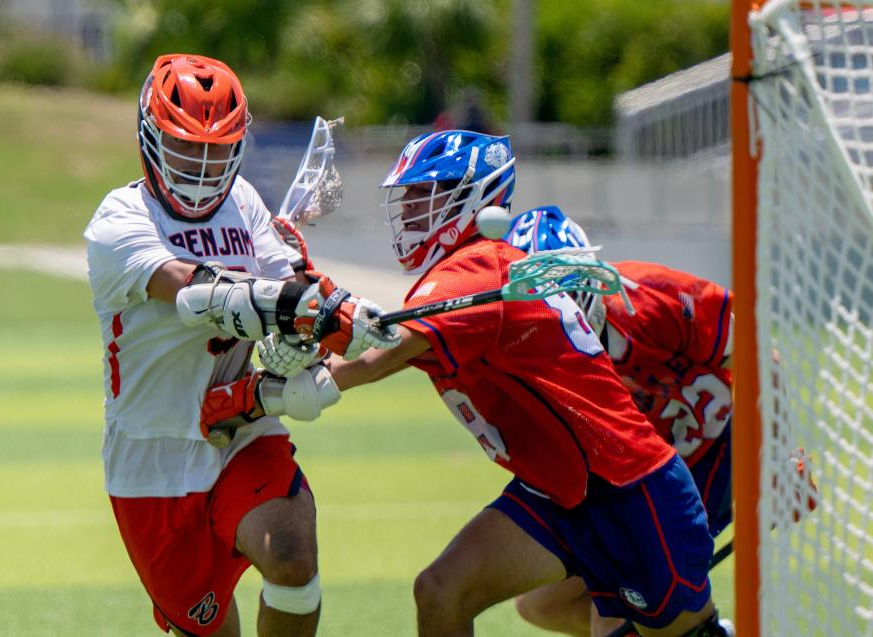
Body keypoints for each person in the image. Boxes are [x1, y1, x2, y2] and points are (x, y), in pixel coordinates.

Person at [218, 130, 736, 637]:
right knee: (443, 590)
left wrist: (263, 391)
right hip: (556, 492)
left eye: (425, 195)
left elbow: (374, 354)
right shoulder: (467, 274)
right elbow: (367, 349)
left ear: (473, 199)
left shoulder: (478, 267)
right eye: (409, 197)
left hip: (630, 492)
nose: (410, 210)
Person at [83, 53, 398, 637]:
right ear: (149, 139)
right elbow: (188, 290)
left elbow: (293, 290)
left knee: (292, 554)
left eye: (218, 148)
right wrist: (285, 304)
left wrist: (334, 314)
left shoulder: (244, 202)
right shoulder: (120, 218)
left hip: (240, 426)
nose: (203, 164)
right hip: (152, 454)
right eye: (185, 146)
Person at [505, 208, 735, 637]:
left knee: (613, 613)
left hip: (715, 447)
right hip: (640, 472)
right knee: (540, 605)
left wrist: (780, 447)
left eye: (561, 292)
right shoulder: (534, 351)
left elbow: (756, 352)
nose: (554, 311)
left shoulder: (651, 296)